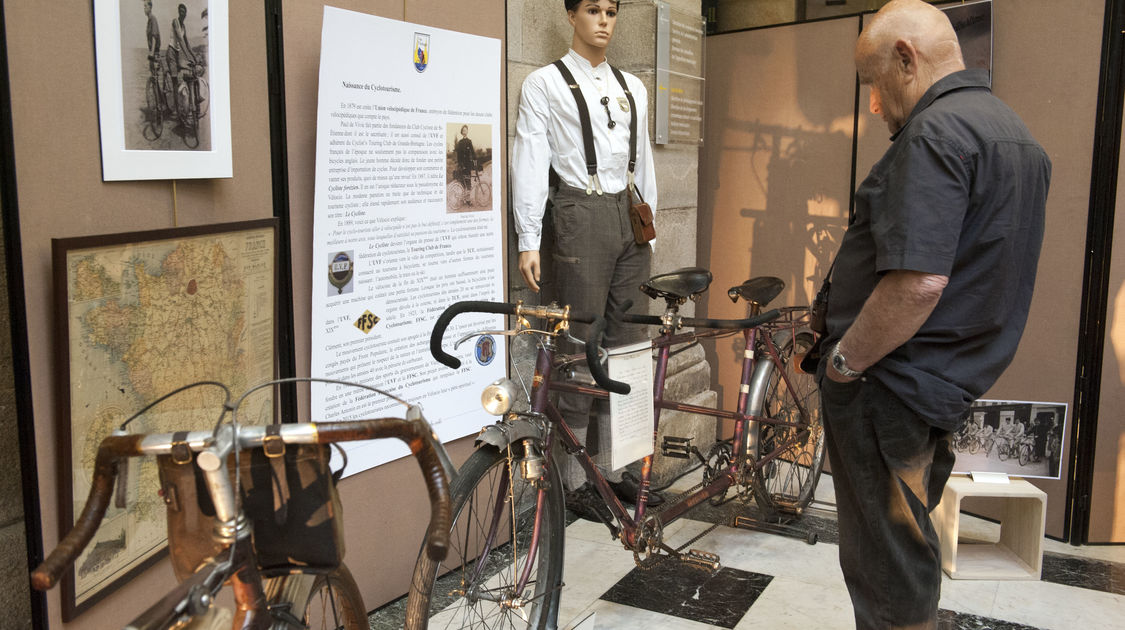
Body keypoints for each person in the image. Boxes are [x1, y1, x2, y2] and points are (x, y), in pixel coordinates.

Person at [817, 1, 1051, 627]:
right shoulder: (1013, 133)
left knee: (886, 562)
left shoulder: (933, 134)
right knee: (906, 547)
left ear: (905, 59)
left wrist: (844, 364)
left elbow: (918, 283)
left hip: (889, 385)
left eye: (874, 83)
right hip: (942, 384)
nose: (873, 104)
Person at [511, 0, 660, 520]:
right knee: (580, 346)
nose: (604, 21)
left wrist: (650, 231)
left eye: (613, 11)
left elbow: (646, 164)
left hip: (628, 217)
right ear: (570, 15)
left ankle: (616, 473)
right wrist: (528, 237)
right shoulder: (543, 83)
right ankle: (571, 483)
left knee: (628, 349)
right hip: (578, 211)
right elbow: (530, 159)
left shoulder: (632, 87)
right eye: (593, 9)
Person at [165, 3, 199, 116]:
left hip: (178, 53)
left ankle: (184, 103)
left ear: (186, 14)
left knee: (186, 74)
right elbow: (179, 39)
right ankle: (176, 110)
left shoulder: (184, 26)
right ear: (178, 12)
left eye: (184, 12)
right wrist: (188, 57)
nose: (182, 14)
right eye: (180, 11)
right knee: (175, 82)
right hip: (171, 52)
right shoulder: (175, 22)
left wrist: (194, 58)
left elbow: (187, 44)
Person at [455, 125, 476, 194]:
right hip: (462, 164)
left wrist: (475, 162)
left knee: (468, 181)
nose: (465, 131)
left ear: (467, 131)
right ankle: (463, 198)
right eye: (463, 130)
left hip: (468, 164)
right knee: (462, 181)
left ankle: (468, 200)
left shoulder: (469, 141)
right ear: (462, 132)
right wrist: (459, 164)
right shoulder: (460, 142)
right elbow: (458, 154)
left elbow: (473, 153)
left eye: (466, 130)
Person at [144, 0, 161, 79]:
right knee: (153, 75)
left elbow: (154, 37)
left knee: (155, 76)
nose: (144, 8)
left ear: (150, 7)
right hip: (152, 50)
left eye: (145, 6)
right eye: (144, 6)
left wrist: (152, 53)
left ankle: (157, 91)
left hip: (155, 51)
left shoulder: (153, 19)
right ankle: (156, 90)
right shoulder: (149, 20)